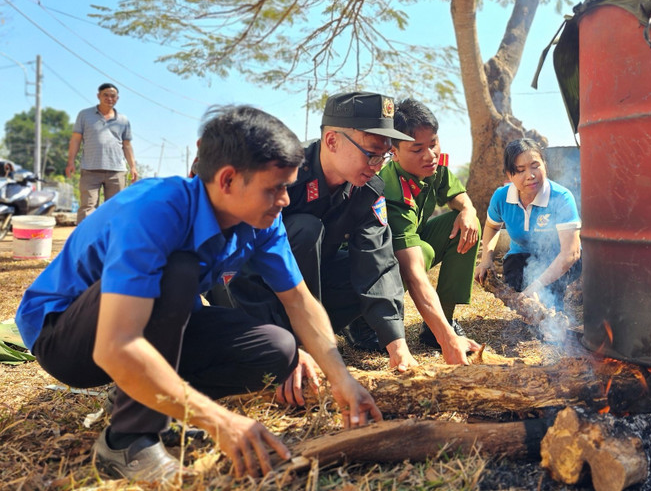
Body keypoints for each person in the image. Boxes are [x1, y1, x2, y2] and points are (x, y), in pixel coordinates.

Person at [16, 106, 380, 483]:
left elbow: (299, 301)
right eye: (275, 188)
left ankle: (141, 397)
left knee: (278, 348)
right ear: (226, 180)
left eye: (287, 186)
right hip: (66, 338)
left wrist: (342, 379)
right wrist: (220, 421)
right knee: (178, 271)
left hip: (139, 328)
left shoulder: (260, 221)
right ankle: (127, 438)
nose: (285, 200)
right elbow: (115, 345)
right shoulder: (154, 210)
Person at [207, 91, 419, 372]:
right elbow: (240, 265)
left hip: (305, 299)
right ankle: (283, 340)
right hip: (243, 292)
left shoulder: (367, 190)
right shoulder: (282, 173)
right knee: (306, 229)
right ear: (332, 140)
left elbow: (377, 266)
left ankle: (314, 336)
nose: (376, 166)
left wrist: (397, 345)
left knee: (370, 271)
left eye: (384, 157)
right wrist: (281, 348)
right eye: (370, 154)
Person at [378, 99, 482, 364]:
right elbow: (412, 273)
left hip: (410, 246)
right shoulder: (391, 191)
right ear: (395, 152)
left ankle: (443, 318)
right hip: (373, 269)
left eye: (433, 143)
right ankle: (364, 325)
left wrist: (468, 210)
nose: (430, 155)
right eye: (417, 148)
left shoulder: (432, 168)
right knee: (420, 251)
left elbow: (458, 195)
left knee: (466, 223)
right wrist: (447, 341)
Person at [474, 138, 582, 309]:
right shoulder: (501, 197)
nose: (530, 175)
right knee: (520, 293)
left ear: (544, 165)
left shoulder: (561, 198)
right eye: (520, 170)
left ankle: (562, 300)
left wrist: (538, 284)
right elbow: (492, 226)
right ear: (510, 175)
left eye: (535, 166)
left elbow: (571, 253)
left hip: (559, 257)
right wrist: (486, 259)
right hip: (521, 257)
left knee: (549, 300)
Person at [66, 83, 138, 224]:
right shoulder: (84, 115)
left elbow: (127, 145)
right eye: (105, 95)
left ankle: (111, 240)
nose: (109, 98)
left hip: (117, 170)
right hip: (90, 169)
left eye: (113, 96)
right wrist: (70, 162)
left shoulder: (123, 119)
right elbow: (75, 140)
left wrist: (133, 167)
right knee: (88, 207)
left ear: (117, 98)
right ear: (98, 96)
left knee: (115, 207)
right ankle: (85, 242)